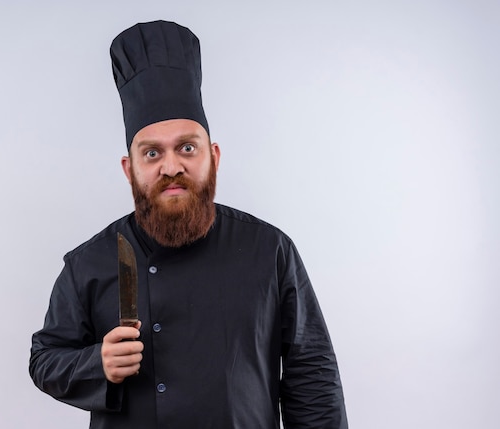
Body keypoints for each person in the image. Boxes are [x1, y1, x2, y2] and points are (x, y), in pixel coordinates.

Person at [29, 20, 347, 428]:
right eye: (152, 153)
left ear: (213, 155)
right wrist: (97, 363)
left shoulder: (269, 250)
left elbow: (312, 377)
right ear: (130, 169)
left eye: (187, 147)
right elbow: (45, 359)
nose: (171, 166)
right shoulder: (90, 262)